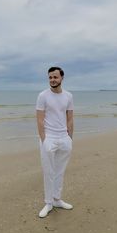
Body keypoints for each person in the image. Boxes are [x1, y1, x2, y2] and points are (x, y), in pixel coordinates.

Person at [36, 66, 74, 218]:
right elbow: (39, 120)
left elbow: (70, 118)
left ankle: (57, 199)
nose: (52, 80)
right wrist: (44, 140)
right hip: (49, 138)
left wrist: (70, 138)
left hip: (64, 138)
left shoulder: (68, 96)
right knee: (48, 171)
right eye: (50, 77)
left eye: (55, 77)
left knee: (60, 171)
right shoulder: (43, 96)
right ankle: (48, 203)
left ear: (61, 78)